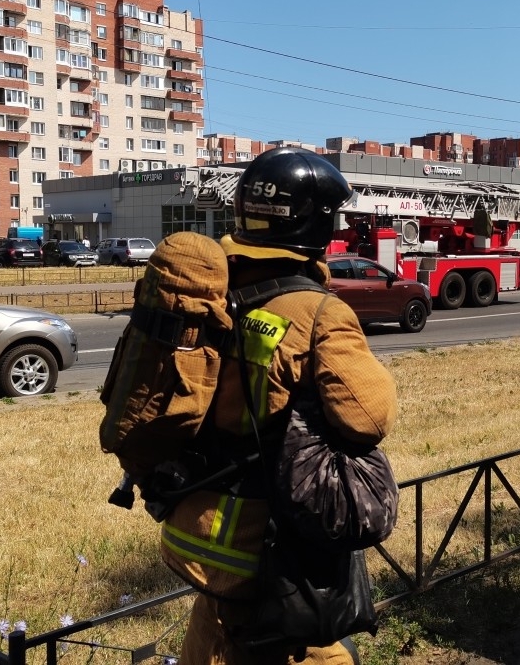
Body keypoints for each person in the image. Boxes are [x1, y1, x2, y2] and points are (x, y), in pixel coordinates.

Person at [159, 147, 397, 664]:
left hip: (195, 524)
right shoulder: (315, 312)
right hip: (267, 551)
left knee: (212, 640)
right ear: (316, 224)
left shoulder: (210, 293)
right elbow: (369, 418)